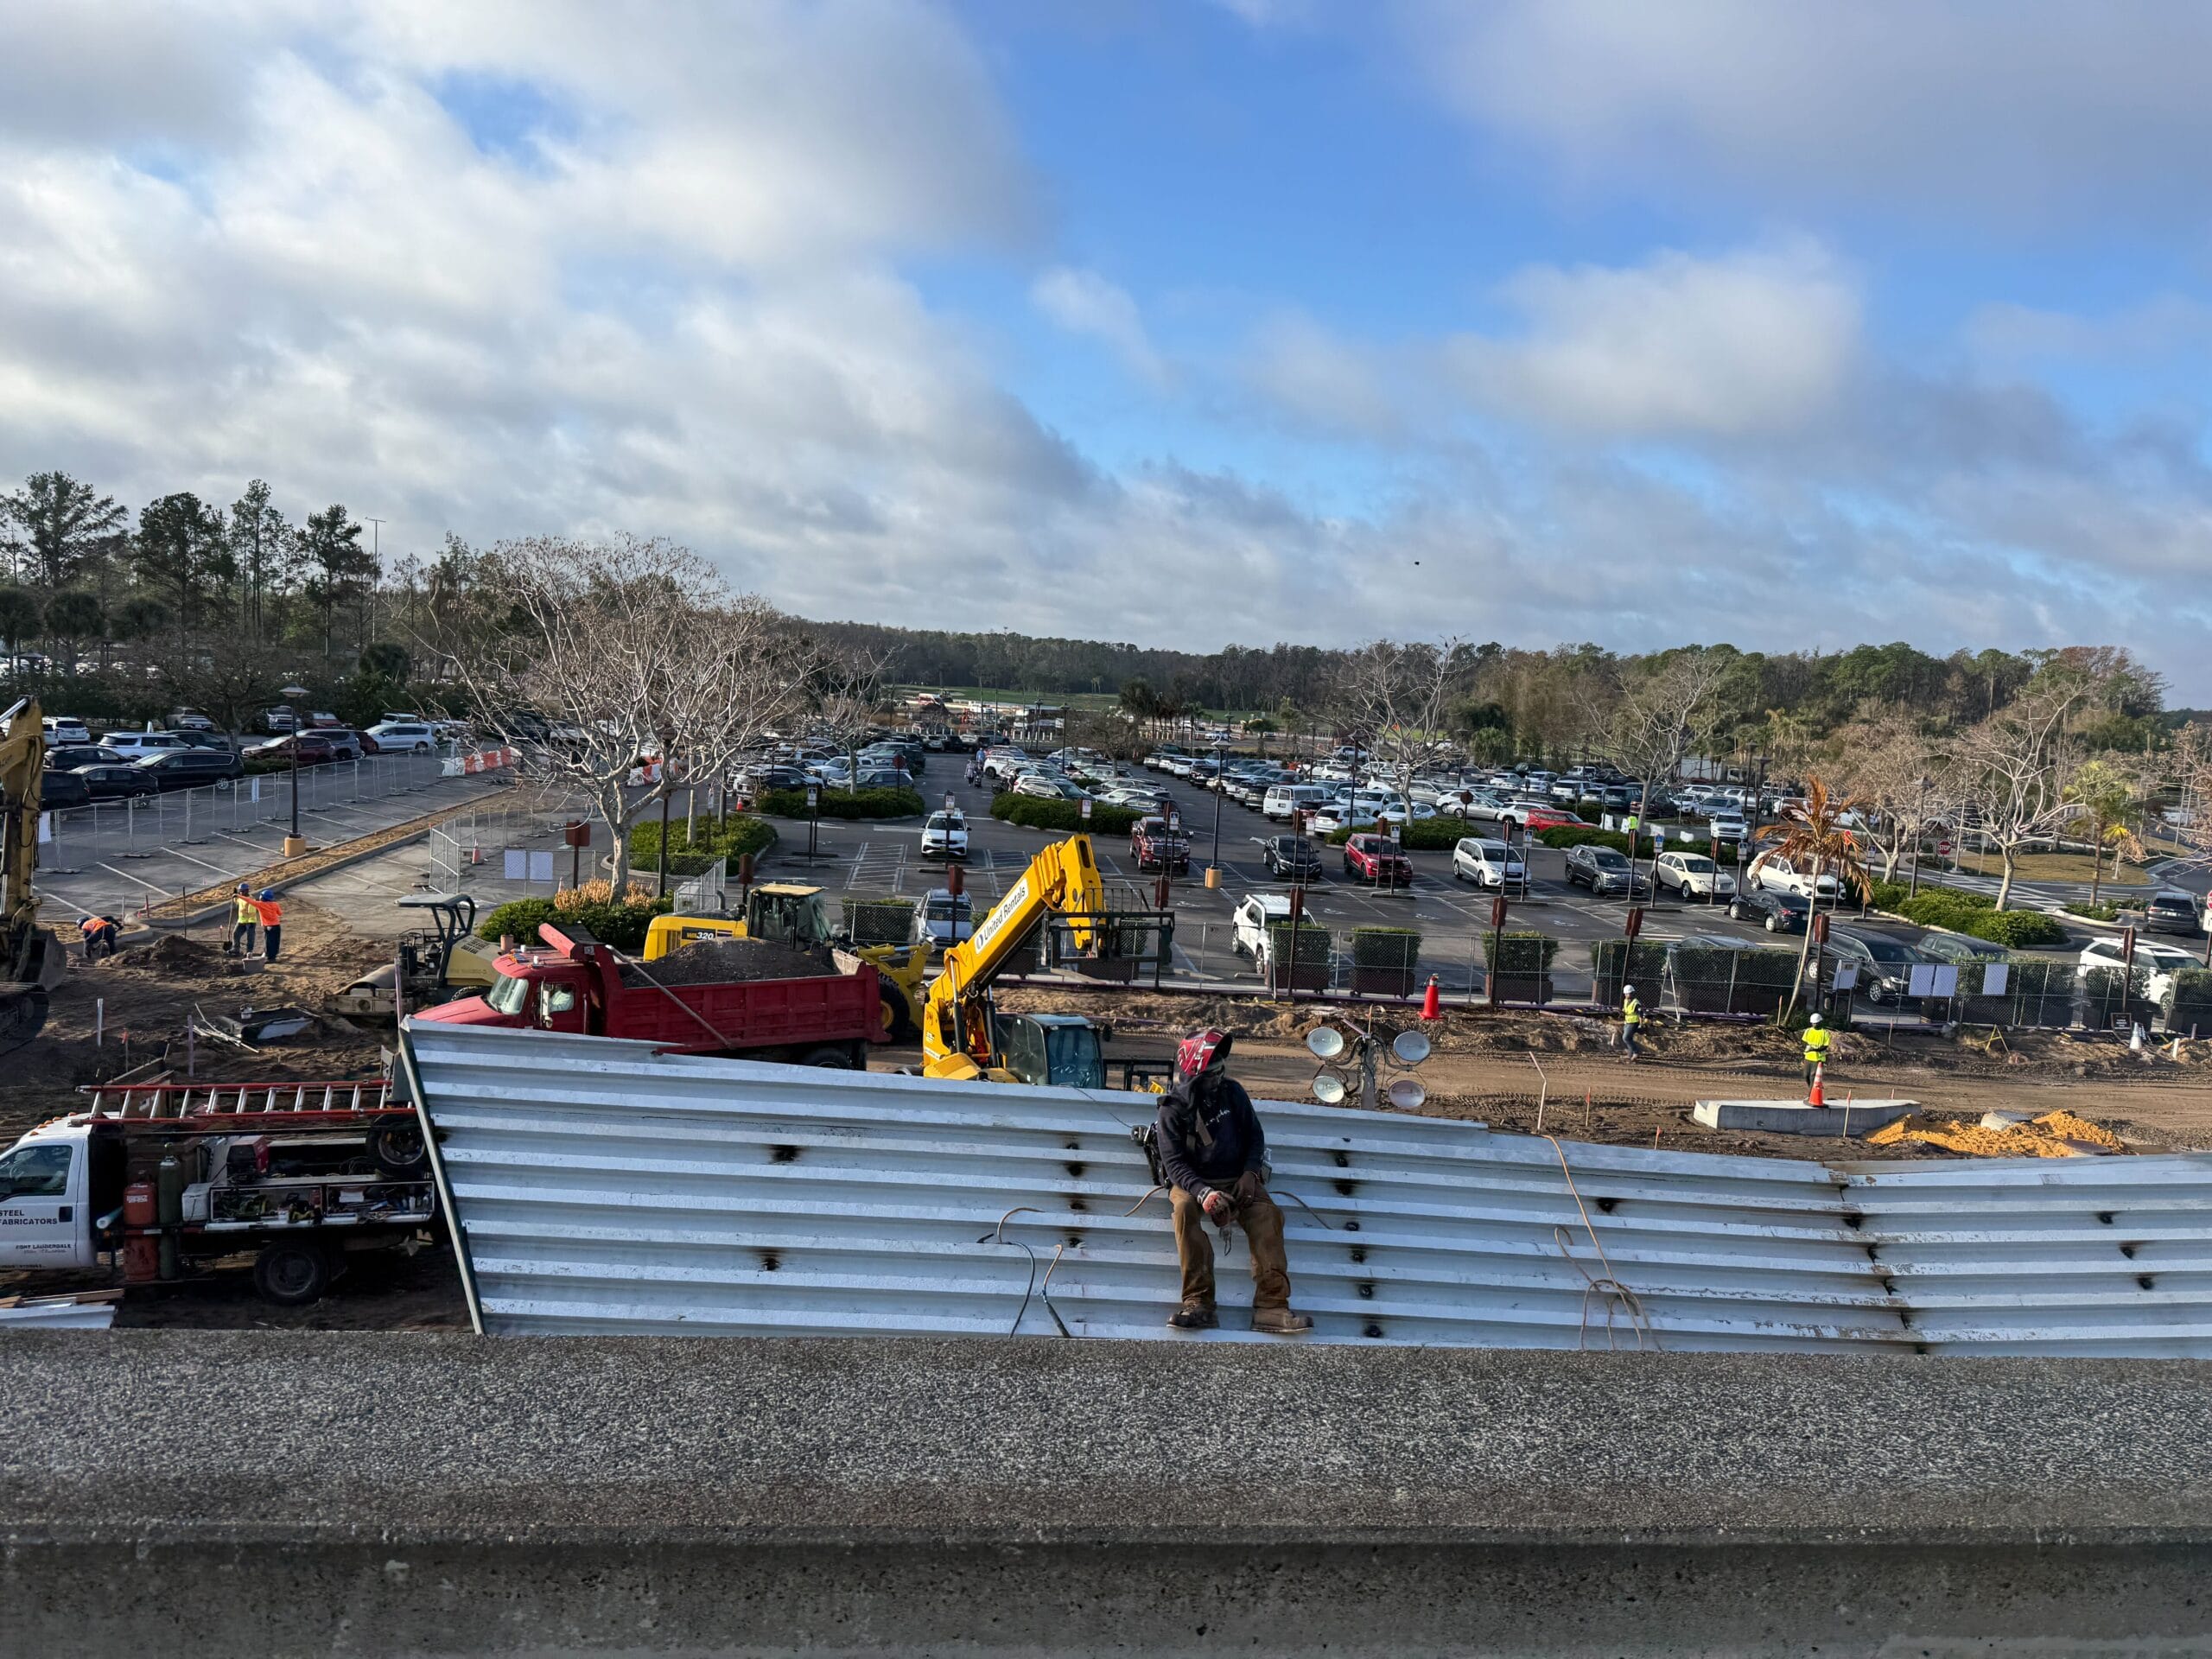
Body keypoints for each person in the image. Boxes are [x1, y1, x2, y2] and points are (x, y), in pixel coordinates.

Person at [1153, 1029, 1312, 1335]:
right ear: (1195, 1077)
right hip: (1193, 1182)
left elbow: (1255, 1136)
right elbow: (1174, 1164)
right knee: (1184, 1213)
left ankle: (1271, 1307)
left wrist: (1251, 1174)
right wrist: (1204, 1194)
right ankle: (1199, 1303)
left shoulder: (1233, 1093)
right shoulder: (1171, 1111)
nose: (1218, 1079)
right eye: (1211, 1075)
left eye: (1221, 1072)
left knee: (1267, 1215)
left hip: (1238, 1178)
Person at [1802, 1012, 1831, 1090]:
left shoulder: (1825, 1033)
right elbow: (1804, 1042)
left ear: (1820, 1022)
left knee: (1813, 1076)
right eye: (1813, 1023)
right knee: (1806, 1075)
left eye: (1816, 1023)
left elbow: (1825, 1046)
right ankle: (1812, 1091)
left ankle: (1810, 1095)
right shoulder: (1808, 1031)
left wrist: (1814, 1049)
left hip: (1818, 1058)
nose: (1814, 1025)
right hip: (1808, 1057)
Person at [230, 883, 257, 957]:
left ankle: (249, 952)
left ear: (247, 891)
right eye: (240, 891)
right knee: (236, 934)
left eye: (243, 891)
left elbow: (252, 913)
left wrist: (250, 923)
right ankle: (236, 949)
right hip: (241, 921)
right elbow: (237, 901)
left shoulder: (251, 900)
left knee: (250, 937)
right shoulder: (241, 898)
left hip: (250, 922)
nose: (241, 893)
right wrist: (235, 895)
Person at [256, 888, 283, 963]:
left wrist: (237, 895)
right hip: (276, 925)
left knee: (268, 941)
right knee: (275, 941)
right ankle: (273, 956)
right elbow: (280, 913)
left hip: (268, 926)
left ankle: (270, 957)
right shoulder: (275, 904)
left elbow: (250, 901)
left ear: (262, 897)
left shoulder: (260, 904)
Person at [1620, 982, 1643, 1060]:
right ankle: (1630, 1055)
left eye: (1628, 994)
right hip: (1627, 1022)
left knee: (1626, 1038)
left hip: (1634, 1023)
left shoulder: (1636, 1003)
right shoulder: (1626, 1001)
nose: (1626, 995)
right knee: (1628, 1038)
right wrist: (1622, 1013)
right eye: (1626, 994)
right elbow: (1625, 1010)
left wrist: (1641, 1024)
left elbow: (1640, 1014)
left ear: (1632, 993)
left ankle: (1636, 1052)